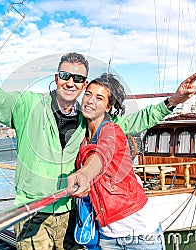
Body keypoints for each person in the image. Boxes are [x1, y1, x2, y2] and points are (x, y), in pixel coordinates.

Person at [0, 15, 196, 250]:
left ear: (84, 85)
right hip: (34, 213)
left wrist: (174, 101)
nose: (71, 82)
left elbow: (136, 121)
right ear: (56, 77)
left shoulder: (90, 121)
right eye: (65, 75)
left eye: (79, 79)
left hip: (72, 213)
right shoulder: (26, 105)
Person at [67, 73, 165, 249]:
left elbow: (100, 155)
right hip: (107, 236)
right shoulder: (81, 138)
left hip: (140, 233)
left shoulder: (112, 131)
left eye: (99, 98)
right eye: (88, 94)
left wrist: (84, 174)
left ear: (108, 106)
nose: (90, 101)